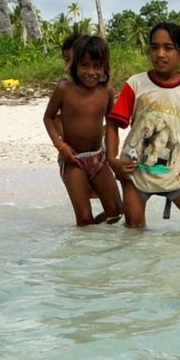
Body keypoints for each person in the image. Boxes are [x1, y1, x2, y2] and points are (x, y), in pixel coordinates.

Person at [108, 21, 180, 231]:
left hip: (175, 172)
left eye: (168, 48)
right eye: (154, 47)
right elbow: (112, 124)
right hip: (134, 173)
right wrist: (113, 160)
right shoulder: (136, 84)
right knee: (134, 229)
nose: (160, 54)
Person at [43, 34, 124, 226]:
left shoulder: (106, 91)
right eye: (84, 65)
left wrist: (112, 156)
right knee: (84, 219)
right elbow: (48, 118)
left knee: (116, 212)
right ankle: (87, 235)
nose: (91, 72)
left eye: (97, 66)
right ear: (75, 65)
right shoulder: (64, 89)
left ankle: (100, 242)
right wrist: (61, 146)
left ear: (105, 67)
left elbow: (111, 124)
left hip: (98, 158)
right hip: (73, 160)